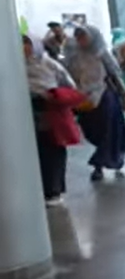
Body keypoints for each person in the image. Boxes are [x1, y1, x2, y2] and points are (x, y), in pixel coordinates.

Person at [65, 25, 125, 181]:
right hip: (83, 98)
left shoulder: (101, 53)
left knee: (108, 131)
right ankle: (107, 159)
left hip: (103, 96)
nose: (81, 40)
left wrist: (124, 92)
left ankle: (99, 164)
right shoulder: (73, 55)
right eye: (78, 37)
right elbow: (67, 75)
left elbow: (114, 73)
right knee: (91, 131)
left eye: (84, 36)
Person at [23, 33, 82, 206]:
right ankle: (42, 189)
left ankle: (54, 190)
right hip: (27, 113)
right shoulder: (16, 66)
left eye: (27, 43)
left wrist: (53, 95)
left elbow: (69, 85)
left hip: (50, 112)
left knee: (53, 150)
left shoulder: (49, 64)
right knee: (36, 152)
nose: (24, 47)